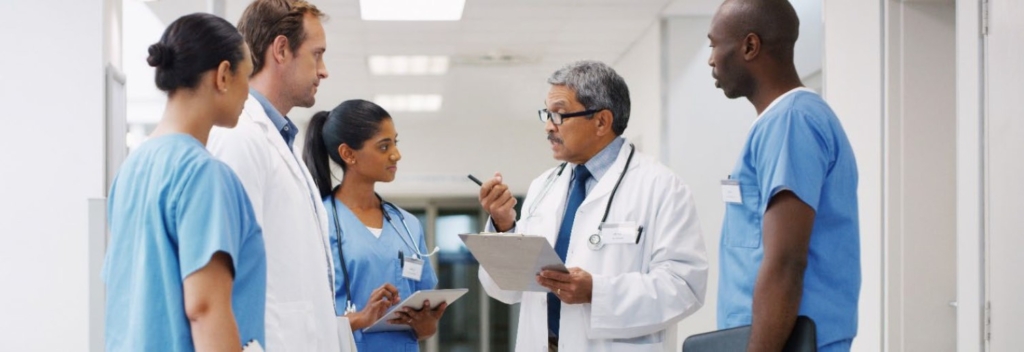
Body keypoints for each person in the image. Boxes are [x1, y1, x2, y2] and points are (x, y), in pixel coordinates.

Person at [476, 60, 708, 351]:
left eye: (559, 115)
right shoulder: (543, 186)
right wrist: (503, 225)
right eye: (546, 114)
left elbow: (685, 287)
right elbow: (506, 290)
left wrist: (598, 293)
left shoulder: (661, 187)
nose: (549, 126)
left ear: (601, 121)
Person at [104, 13, 265, 351]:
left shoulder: (131, 170)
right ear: (223, 75)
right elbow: (205, 309)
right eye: (247, 77)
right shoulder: (204, 174)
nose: (248, 93)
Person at [707, 0, 861, 351]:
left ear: (749, 46)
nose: (711, 59)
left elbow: (786, 261)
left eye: (715, 44)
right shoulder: (782, 121)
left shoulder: (792, 122)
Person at [205, 0, 342, 350]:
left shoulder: (280, 139)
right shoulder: (240, 137)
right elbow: (223, 274)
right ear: (281, 50)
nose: (323, 70)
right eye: (317, 54)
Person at [303, 101, 447, 351]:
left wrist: (426, 324)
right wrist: (362, 317)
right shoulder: (317, 222)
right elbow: (303, 318)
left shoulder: (407, 225)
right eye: (384, 146)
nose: (396, 154)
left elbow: (426, 328)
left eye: (395, 143)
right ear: (348, 154)